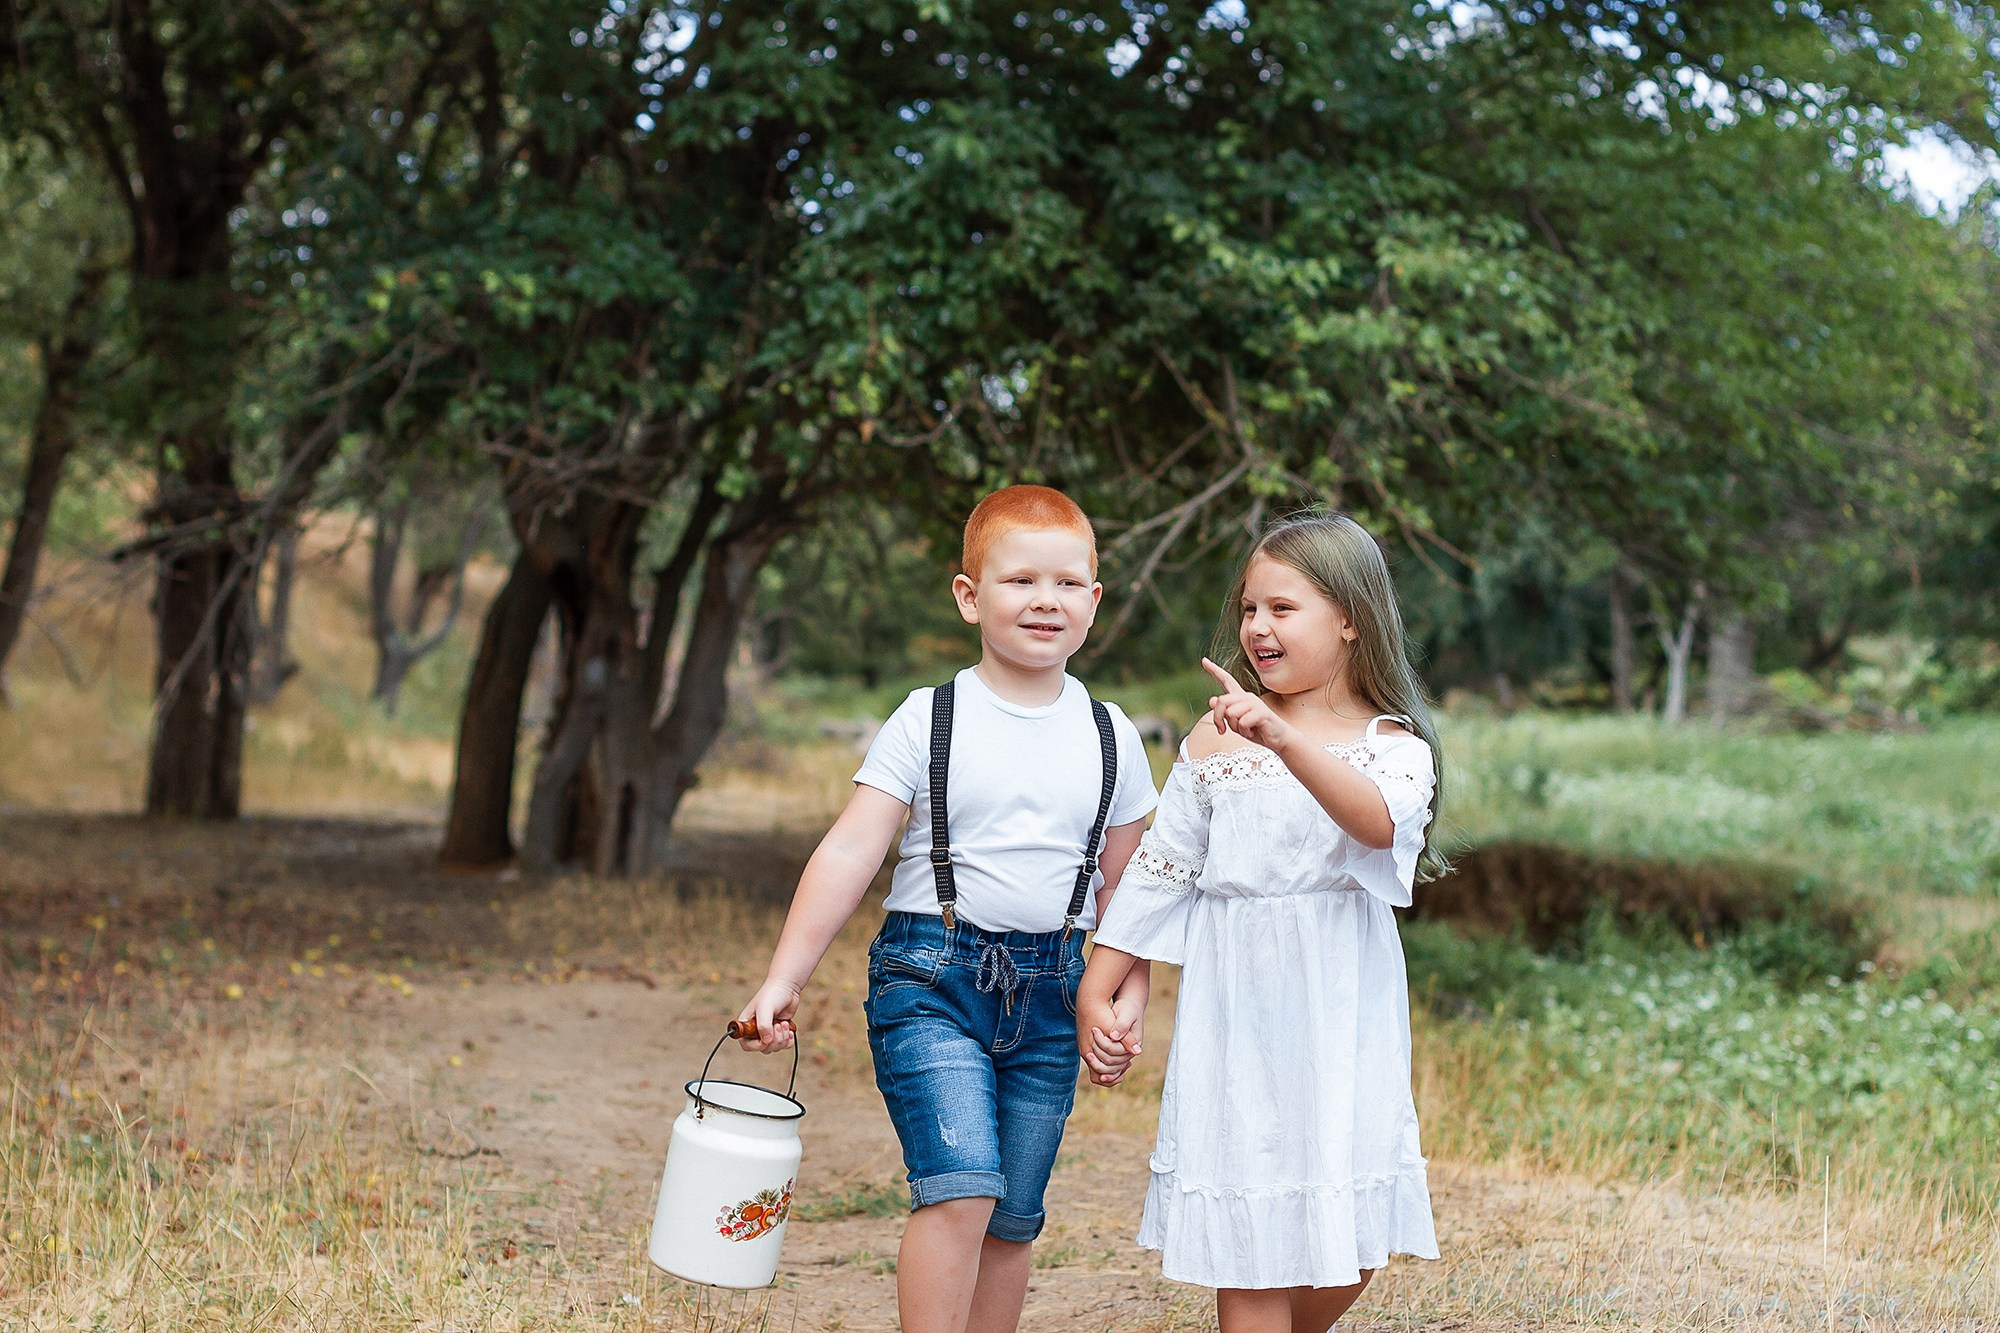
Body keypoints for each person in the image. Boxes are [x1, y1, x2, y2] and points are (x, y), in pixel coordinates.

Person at [735, 485, 1159, 1333]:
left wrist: (1123, 996)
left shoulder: (1112, 733)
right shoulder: (930, 717)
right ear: (970, 597)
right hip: (930, 979)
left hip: (1052, 993)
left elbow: (1132, 890)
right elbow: (851, 852)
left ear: (1095, 601)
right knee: (963, 1186)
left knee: (1012, 1219)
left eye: (1069, 584)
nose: (1047, 600)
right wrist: (785, 975)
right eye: (1020, 580)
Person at [1075, 512, 1446, 1333]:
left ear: (1350, 617)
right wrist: (1098, 986)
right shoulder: (1216, 737)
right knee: (1249, 1232)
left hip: (1339, 1008)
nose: (1257, 626)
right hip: (1237, 1005)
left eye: (1283, 607)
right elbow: (1162, 868)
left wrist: (1282, 738)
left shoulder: (1393, 744)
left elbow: (1378, 824)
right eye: (1249, 608)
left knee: (1352, 1244)